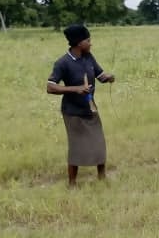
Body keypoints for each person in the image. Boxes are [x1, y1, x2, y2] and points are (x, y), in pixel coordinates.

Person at [47, 24, 115, 186]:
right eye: (88, 40)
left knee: (99, 143)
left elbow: (100, 75)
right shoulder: (63, 63)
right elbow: (50, 87)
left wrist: (109, 77)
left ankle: (102, 177)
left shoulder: (88, 57)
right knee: (77, 147)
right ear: (79, 43)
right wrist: (75, 89)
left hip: (90, 108)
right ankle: (72, 183)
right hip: (73, 112)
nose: (91, 43)